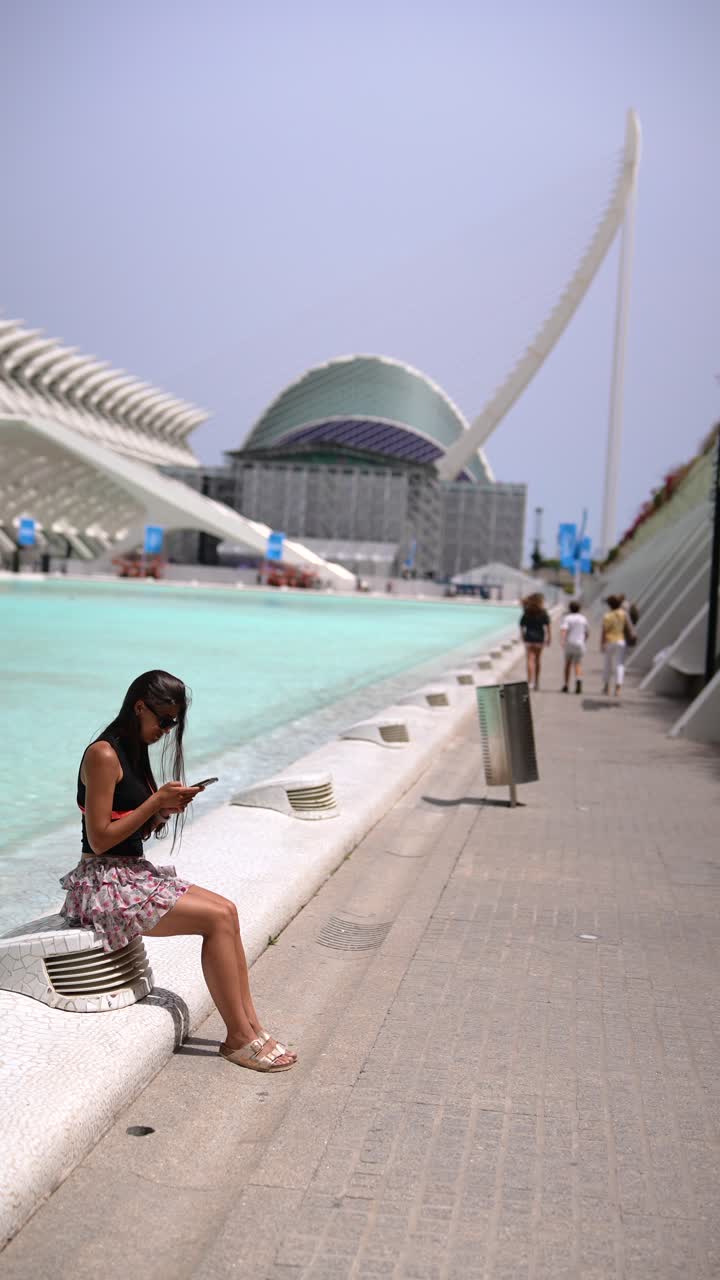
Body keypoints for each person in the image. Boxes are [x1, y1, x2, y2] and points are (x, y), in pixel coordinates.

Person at [59, 670, 296, 1074]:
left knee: (228, 911)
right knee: (216, 918)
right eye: (164, 721)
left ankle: (252, 1027)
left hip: (130, 873)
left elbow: (129, 830)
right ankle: (239, 1037)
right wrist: (154, 805)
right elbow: (99, 840)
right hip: (101, 883)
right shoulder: (103, 754)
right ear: (139, 707)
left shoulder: (135, 751)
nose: (167, 731)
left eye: (174, 723)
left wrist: (163, 811)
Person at [519, 593, 551, 690]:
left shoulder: (527, 611)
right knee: (538, 660)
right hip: (539, 639)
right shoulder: (543, 612)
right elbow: (548, 626)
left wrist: (522, 635)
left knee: (529, 660)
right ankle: (537, 682)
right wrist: (549, 638)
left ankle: (530, 682)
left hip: (529, 638)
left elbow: (521, 625)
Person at [601, 595, 629, 697]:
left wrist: (602, 643)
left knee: (607, 664)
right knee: (619, 664)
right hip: (621, 641)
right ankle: (618, 688)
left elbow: (604, 631)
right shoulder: (623, 614)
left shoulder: (607, 616)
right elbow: (627, 628)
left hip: (609, 641)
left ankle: (606, 686)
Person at [560, 600, 589, 694]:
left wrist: (563, 641)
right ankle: (578, 679)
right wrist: (584, 640)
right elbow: (587, 632)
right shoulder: (583, 618)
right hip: (580, 644)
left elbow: (564, 630)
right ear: (579, 608)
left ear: (570, 608)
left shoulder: (567, 618)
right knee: (577, 664)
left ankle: (566, 685)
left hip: (569, 643)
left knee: (567, 664)